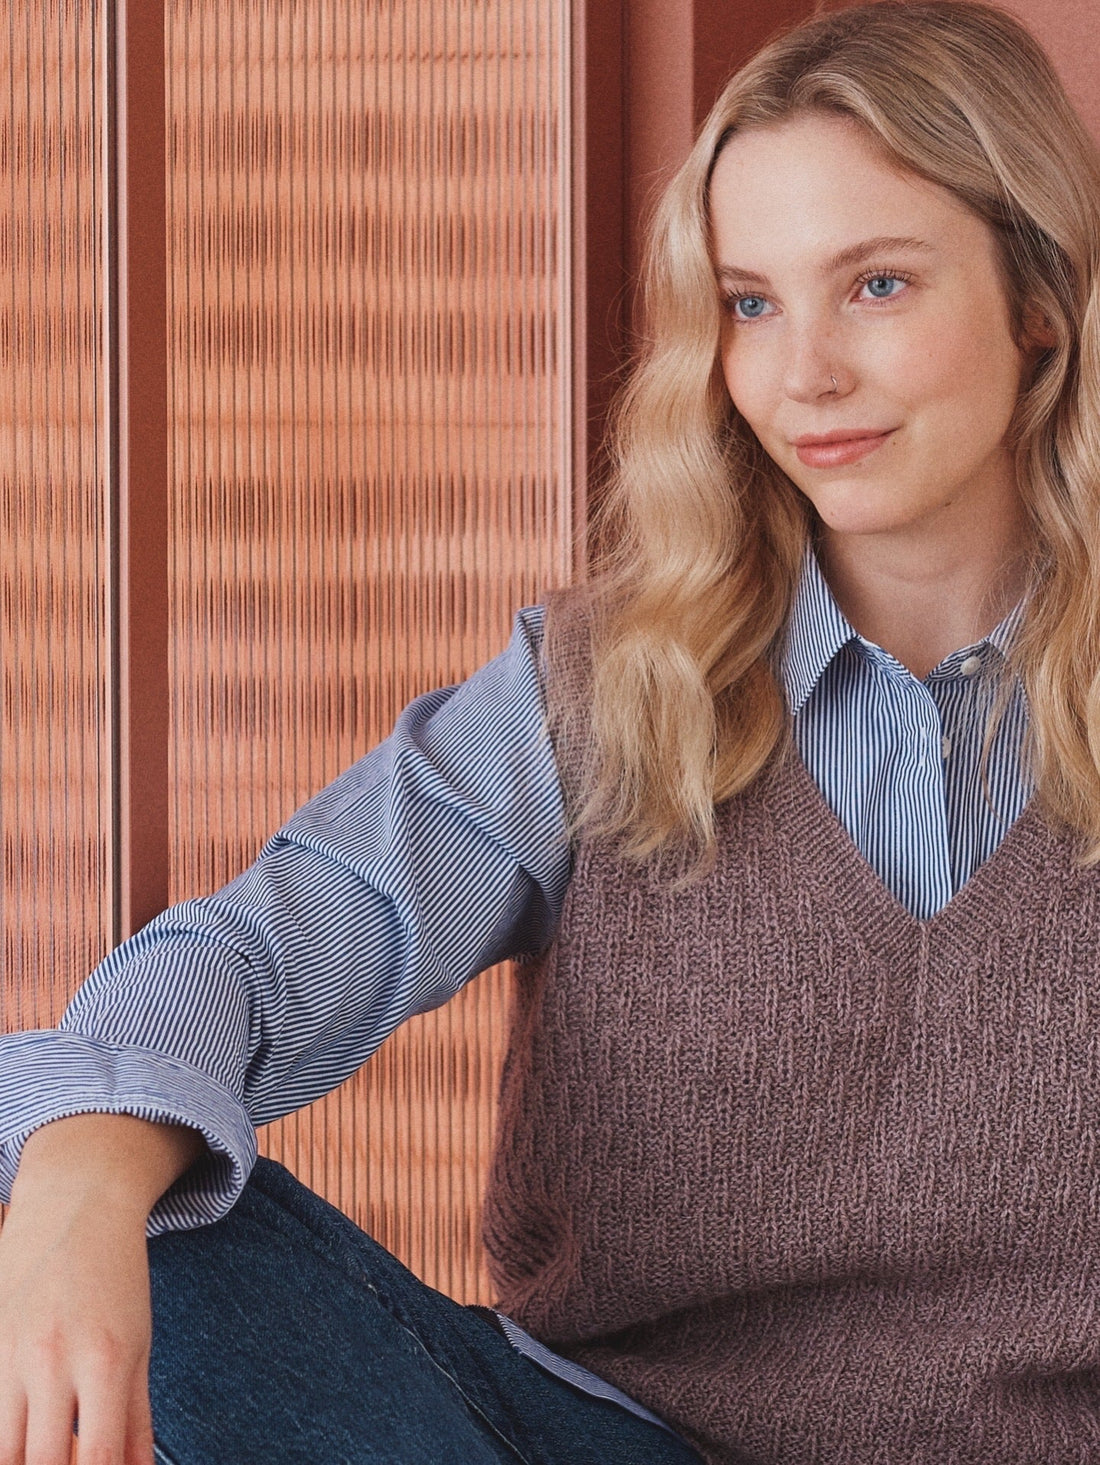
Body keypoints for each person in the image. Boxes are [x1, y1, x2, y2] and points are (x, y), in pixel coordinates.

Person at [2, 0, 1099, 1460]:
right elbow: (259, 957)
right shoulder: (596, 692)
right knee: (98, 1161)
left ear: (1040, 301)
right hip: (580, 1438)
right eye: (751, 304)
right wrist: (76, 1186)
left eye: (878, 285)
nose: (803, 375)